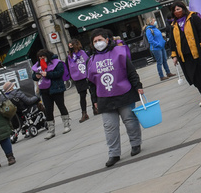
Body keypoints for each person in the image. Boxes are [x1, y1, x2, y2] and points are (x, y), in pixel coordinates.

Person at [86, 28, 143, 168]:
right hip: (104, 98)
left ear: (107, 40)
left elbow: (131, 71)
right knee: (109, 127)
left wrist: (138, 85)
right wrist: (94, 100)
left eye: (100, 40)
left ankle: (135, 144)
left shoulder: (119, 52)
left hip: (124, 93)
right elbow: (91, 83)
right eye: (95, 41)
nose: (98, 43)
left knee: (130, 121)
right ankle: (114, 153)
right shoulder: (91, 60)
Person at [167, 0, 201, 106]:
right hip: (185, 55)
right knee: (195, 76)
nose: (176, 11)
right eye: (174, 10)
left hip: (200, 52)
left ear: (183, 8)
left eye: (178, 9)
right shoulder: (173, 25)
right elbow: (172, 41)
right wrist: (174, 56)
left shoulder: (193, 18)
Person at [32, 49, 71, 139]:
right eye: (40, 57)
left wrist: (48, 74)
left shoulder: (57, 62)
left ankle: (66, 125)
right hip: (44, 90)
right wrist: (36, 76)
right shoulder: (38, 65)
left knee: (61, 106)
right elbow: (33, 76)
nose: (42, 59)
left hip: (56, 88)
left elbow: (59, 73)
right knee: (48, 110)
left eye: (43, 57)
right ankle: (51, 130)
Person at [67, 39, 95, 123]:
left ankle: (95, 107)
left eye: (72, 45)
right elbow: (68, 67)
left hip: (87, 75)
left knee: (92, 92)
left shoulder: (83, 53)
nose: (71, 47)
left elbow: (89, 62)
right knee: (82, 96)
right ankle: (84, 113)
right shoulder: (69, 56)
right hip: (78, 78)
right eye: (69, 46)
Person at [144, 17, 173, 82]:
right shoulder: (149, 30)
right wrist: (158, 44)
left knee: (165, 60)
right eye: (154, 20)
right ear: (151, 22)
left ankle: (168, 73)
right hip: (156, 48)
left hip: (161, 46)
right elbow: (150, 40)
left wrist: (163, 41)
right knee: (159, 62)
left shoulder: (155, 28)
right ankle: (161, 76)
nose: (155, 21)